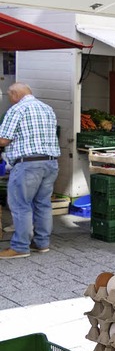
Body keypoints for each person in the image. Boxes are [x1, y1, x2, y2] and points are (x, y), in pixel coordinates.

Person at [0, 83, 60, 259]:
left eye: (10, 96)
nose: (10, 100)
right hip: (50, 163)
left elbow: (3, 140)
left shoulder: (17, 109)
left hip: (27, 165)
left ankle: (20, 247)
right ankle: (41, 243)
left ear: (14, 94)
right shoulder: (47, 108)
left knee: (21, 205)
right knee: (43, 204)